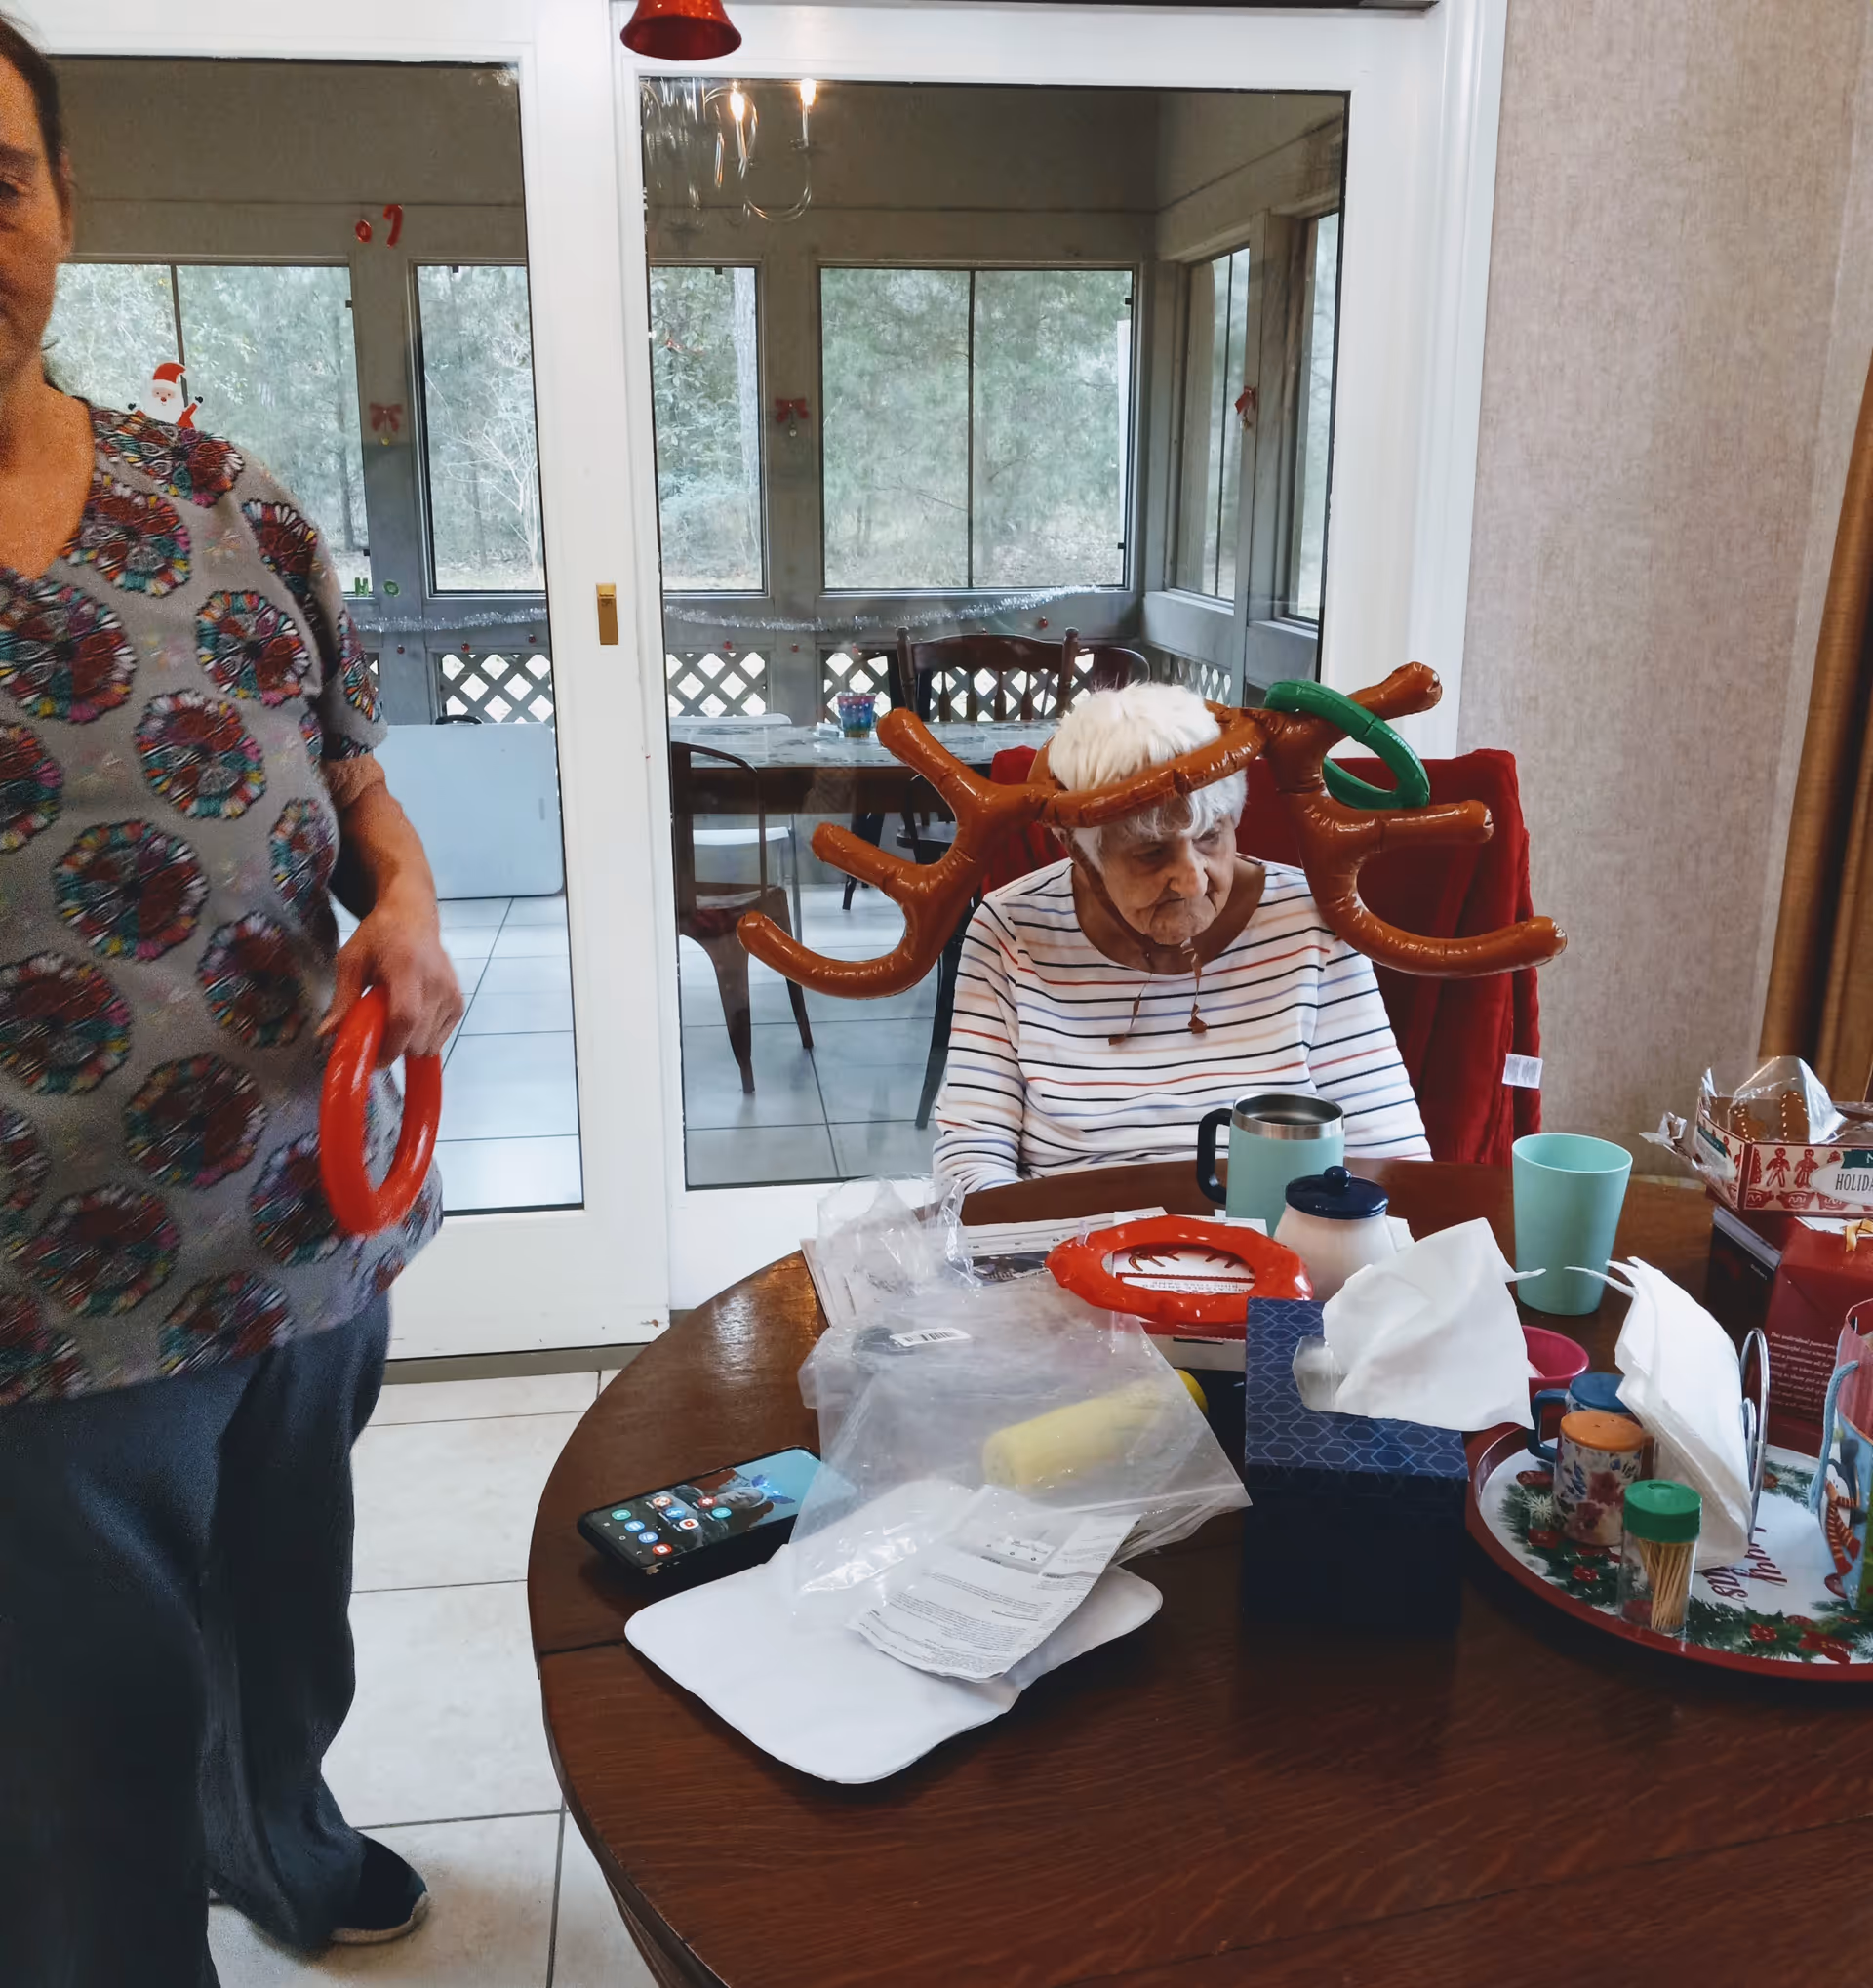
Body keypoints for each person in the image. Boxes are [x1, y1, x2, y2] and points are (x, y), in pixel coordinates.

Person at [0, 25, 461, 1986]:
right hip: (34, 1318)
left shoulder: (223, 496)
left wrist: (414, 901)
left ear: (65, 203)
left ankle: (280, 1833)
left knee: (288, 1620)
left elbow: (350, 771)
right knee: (78, 1756)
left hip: (305, 1223)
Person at [932, 681, 1430, 1190]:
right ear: (1082, 856)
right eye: (1151, 852)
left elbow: (1390, 1156)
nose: (1193, 879)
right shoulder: (1010, 927)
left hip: (1282, 1247)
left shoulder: (1311, 917)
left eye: (1211, 836)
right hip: (1069, 1250)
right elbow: (971, 1161)